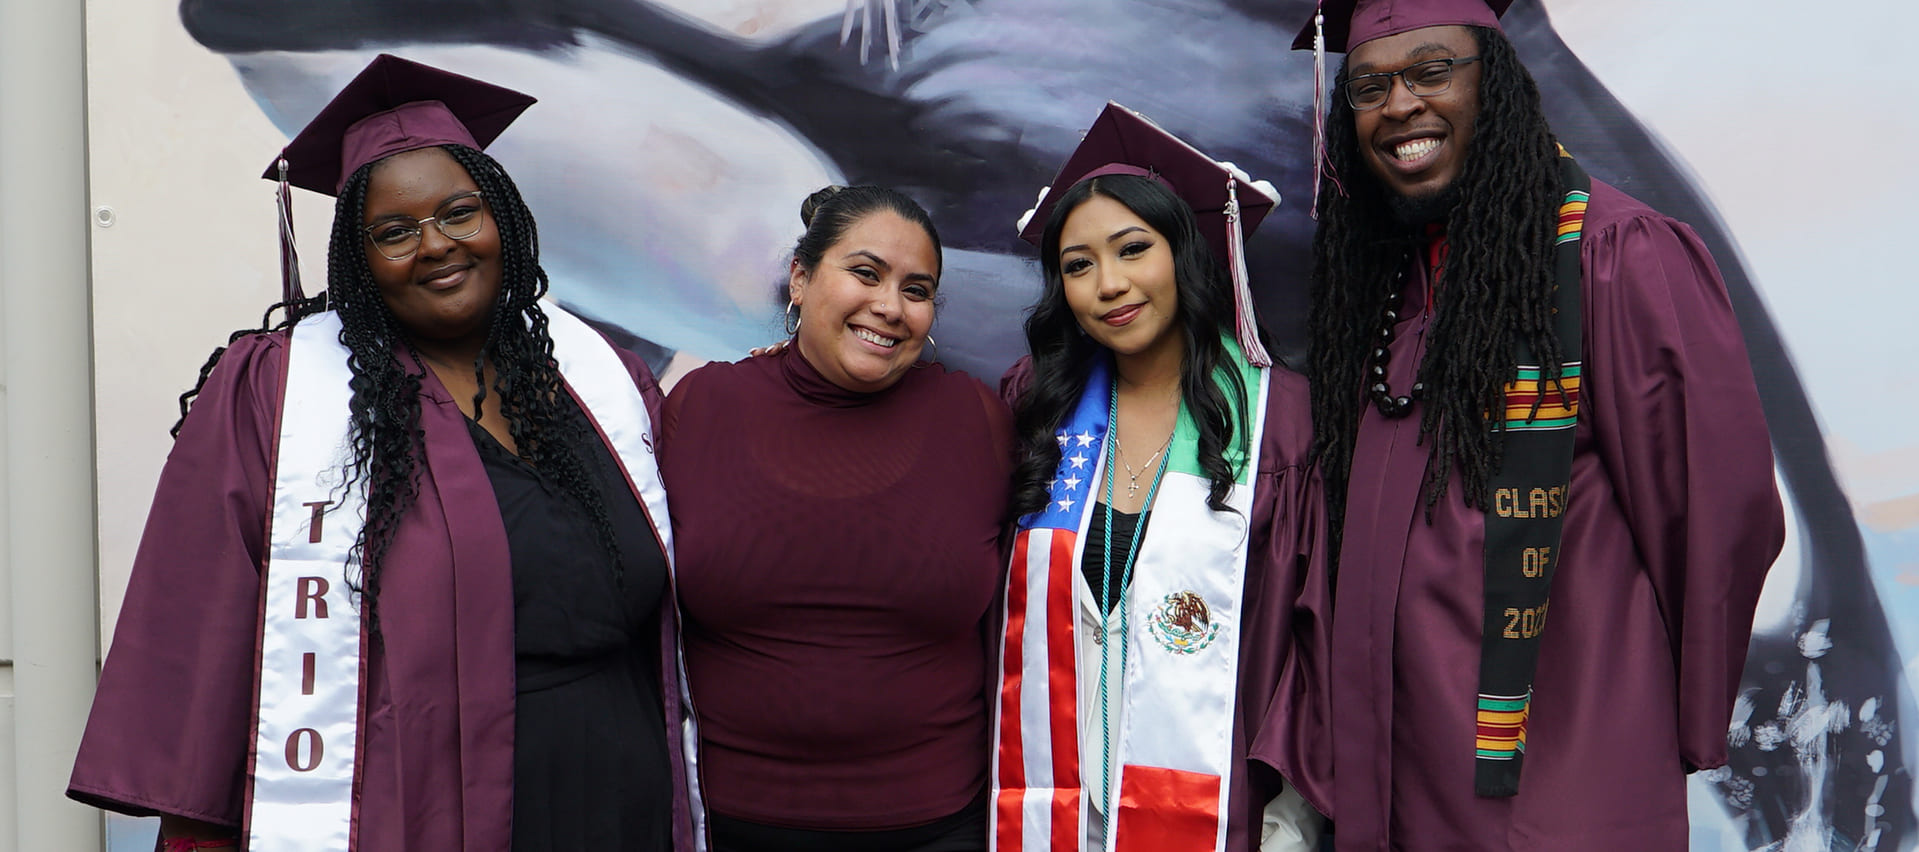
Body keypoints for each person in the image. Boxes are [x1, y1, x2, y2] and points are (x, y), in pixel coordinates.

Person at [66, 55, 698, 852]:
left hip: (621, 793)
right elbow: (198, 613)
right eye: (393, 232)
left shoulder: (600, 378)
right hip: (414, 805)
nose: (435, 245)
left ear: (503, 217)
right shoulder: (277, 391)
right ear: (358, 262)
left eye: (460, 213)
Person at [1290, 1, 1786, 849]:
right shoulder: (1384, 296)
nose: (1399, 105)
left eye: (1431, 71)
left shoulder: (1609, 254)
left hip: (1558, 774)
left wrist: (1652, 714)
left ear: (1498, 84)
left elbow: (1710, 513)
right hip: (1391, 782)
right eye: (1369, 87)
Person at [994, 103, 1329, 852]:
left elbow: (1311, 656)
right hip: (1055, 805)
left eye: (1132, 249)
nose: (1108, 284)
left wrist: (1286, 827)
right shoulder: (1036, 409)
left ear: (1186, 253)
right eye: (1077, 265)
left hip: (1222, 813)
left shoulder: (1280, 423)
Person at [657, 185, 1014, 852]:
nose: (889, 305)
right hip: (733, 823)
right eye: (864, 273)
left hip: (934, 825)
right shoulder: (699, 408)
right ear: (799, 277)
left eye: (917, 288)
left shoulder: (976, 421)